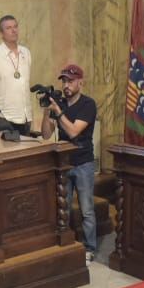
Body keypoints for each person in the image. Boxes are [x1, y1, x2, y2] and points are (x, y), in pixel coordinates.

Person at [43, 63, 99, 263]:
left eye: (70, 81)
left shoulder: (88, 105)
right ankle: (66, 245)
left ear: (80, 83)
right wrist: (47, 111)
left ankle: (90, 248)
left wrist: (58, 113)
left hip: (83, 163)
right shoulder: (61, 104)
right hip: (64, 164)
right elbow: (46, 134)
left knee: (87, 209)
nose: (66, 85)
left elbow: (74, 132)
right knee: (62, 208)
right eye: (64, 81)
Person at [0, 15, 35, 134]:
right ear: (1, 33)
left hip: (25, 117)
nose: (13, 30)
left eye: (15, 26)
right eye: (8, 28)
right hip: (4, 118)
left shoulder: (26, 53)